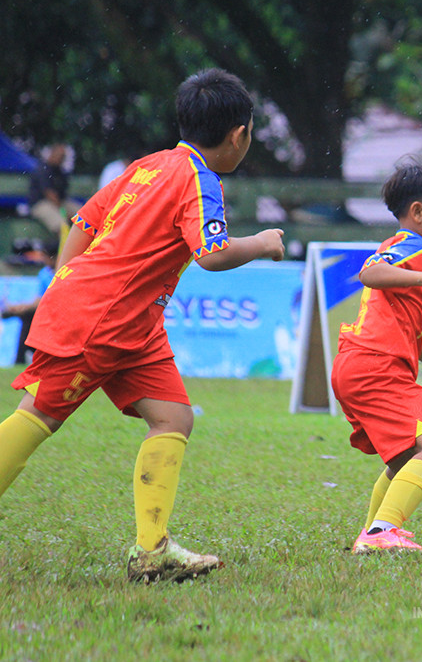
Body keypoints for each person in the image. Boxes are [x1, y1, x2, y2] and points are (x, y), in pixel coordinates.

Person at [0, 68, 286, 583]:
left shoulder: (149, 165)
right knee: (39, 416)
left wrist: (64, 281)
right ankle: (153, 549)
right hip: (103, 319)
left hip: (133, 323)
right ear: (239, 135)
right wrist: (263, 242)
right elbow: (213, 252)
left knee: (174, 418)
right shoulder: (201, 179)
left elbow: (84, 223)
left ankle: (152, 551)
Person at [331, 161, 422, 555]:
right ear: (418, 212)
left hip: (362, 365)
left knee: (407, 455)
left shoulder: (406, 249)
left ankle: (374, 532)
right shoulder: (413, 247)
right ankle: (378, 534)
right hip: (376, 367)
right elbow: (370, 273)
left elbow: (398, 318)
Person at [1, 239, 59, 364]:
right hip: (45, 310)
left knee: (27, 316)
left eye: (46, 256)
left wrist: (22, 308)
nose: (44, 259)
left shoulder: (64, 271)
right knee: (28, 317)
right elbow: (40, 299)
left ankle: (22, 357)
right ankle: (23, 357)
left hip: (57, 310)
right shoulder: (44, 273)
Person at [28, 143, 82, 236]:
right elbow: (50, 195)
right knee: (62, 225)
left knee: (83, 216)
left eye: (63, 156)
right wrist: (64, 212)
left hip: (60, 203)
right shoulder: (43, 170)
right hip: (40, 203)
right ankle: (65, 248)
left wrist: (66, 211)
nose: (61, 159)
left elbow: (63, 196)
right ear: (52, 153)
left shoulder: (60, 171)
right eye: (60, 156)